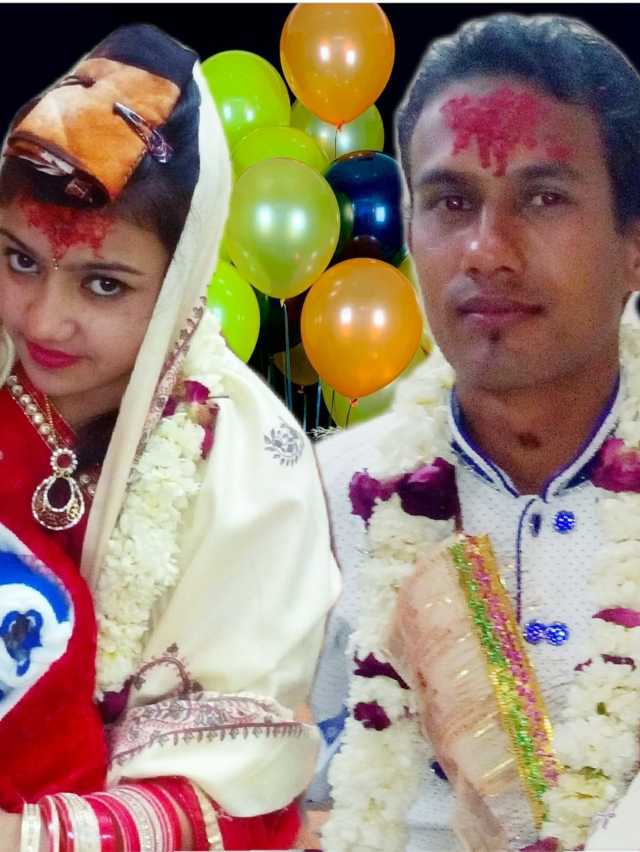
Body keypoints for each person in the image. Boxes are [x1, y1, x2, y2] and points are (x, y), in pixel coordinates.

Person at [0, 22, 341, 852]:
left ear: (182, 274)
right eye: (20, 261)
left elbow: (237, 790)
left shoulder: (250, 462)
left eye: (103, 284)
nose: (44, 320)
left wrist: (31, 836)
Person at [311, 13, 640, 852]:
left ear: (634, 244)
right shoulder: (322, 503)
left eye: (542, 198)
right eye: (451, 202)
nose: (486, 252)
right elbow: (273, 793)